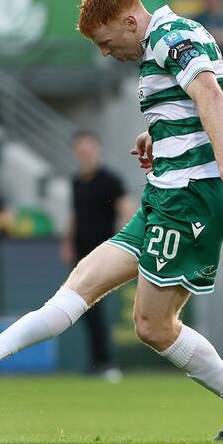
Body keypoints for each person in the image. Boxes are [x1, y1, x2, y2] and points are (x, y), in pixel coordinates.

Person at [0, 0, 223, 442]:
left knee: (153, 326)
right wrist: (158, 136)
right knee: (77, 288)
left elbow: (209, 94)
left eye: (107, 43)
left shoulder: (172, 36)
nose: (107, 54)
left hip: (190, 198)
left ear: (131, 22)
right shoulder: (161, 44)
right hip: (163, 194)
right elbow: (194, 104)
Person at [61, 131, 132, 380]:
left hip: (101, 252)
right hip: (81, 252)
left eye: (88, 149)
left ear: (97, 150)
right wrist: (68, 241)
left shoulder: (110, 180)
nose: (84, 154)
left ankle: (106, 363)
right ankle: (96, 361)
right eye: (80, 150)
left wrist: (120, 242)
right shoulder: (77, 182)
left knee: (95, 308)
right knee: (84, 309)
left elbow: (127, 209)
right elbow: (74, 214)